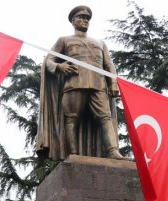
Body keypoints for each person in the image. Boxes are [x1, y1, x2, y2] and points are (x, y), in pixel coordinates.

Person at [36, 5, 124, 161]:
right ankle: (73, 153)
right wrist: (59, 66)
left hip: (98, 85)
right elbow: (49, 60)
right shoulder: (64, 40)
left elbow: (109, 65)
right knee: (71, 119)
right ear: (73, 21)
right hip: (74, 84)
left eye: (87, 19)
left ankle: (113, 151)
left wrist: (113, 83)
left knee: (105, 117)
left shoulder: (100, 43)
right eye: (81, 18)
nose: (85, 21)